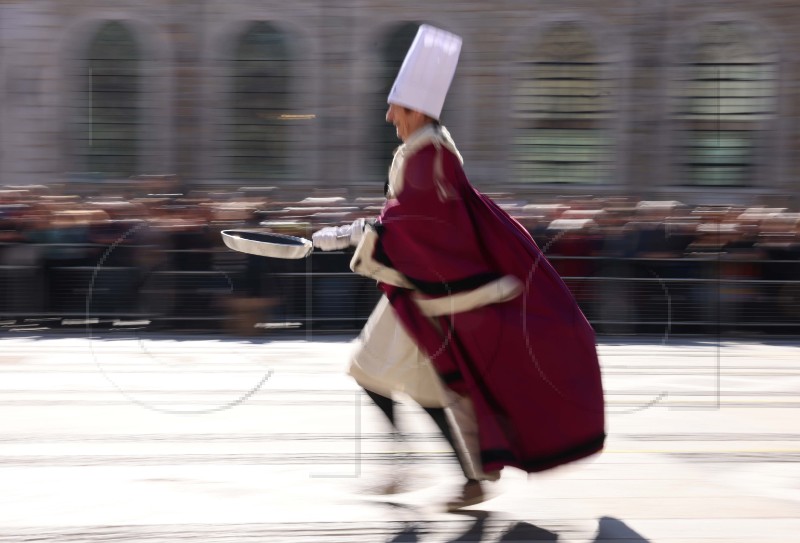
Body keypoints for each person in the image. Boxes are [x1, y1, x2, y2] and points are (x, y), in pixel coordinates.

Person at [313, 24, 605, 511]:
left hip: (426, 286)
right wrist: (361, 231)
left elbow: (417, 225)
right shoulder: (424, 151)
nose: (389, 116)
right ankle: (463, 474)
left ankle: (429, 467)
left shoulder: (427, 155)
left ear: (418, 110)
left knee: (376, 371)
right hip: (421, 283)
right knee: (411, 380)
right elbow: (409, 220)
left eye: (396, 107)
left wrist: (349, 235)